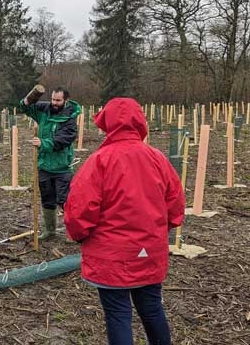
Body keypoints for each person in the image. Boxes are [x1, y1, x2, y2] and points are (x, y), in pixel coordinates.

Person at [64, 97, 185, 345]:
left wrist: (79, 235)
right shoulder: (157, 158)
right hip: (149, 252)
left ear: (107, 124)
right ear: (140, 121)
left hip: (110, 256)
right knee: (152, 308)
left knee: (118, 314)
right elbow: (176, 206)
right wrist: (155, 233)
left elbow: (79, 211)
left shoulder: (99, 161)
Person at [20, 86, 81, 240]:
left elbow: (64, 140)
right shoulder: (45, 110)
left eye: (58, 100)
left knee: (64, 199)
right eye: (53, 99)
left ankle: (71, 233)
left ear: (66, 100)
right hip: (44, 165)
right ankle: (50, 231)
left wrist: (43, 143)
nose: (54, 102)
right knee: (47, 198)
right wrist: (29, 98)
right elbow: (25, 108)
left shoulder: (70, 118)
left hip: (61, 166)